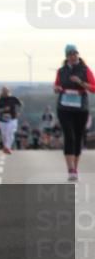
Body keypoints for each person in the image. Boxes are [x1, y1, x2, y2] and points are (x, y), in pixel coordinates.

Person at [54, 43, 94, 182]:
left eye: (74, 53)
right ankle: (70, 168)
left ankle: (75, 168)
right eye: (69, 54)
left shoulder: (85, 69)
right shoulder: (61, 71)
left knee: (78, 138)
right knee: (69, 136)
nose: (72, 56)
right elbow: (56, 85)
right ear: (66, 56)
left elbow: (93, 88)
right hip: (64, 108)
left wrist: (81, 82)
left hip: (80, 108)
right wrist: (57, 88)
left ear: (78, 54)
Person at [0, 87, 23, 155]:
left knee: (10, 133)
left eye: (6, 91)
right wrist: (4, 109)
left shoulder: (13, 98)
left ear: (9, 91)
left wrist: (18, 112)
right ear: (2, 92)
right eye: (4, 91)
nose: (5, 92)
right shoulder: (0, 100)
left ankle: (8, 147)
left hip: (12, 119)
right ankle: (5, 147)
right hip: (2, 120)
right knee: (4, 134)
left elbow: (20, 105)